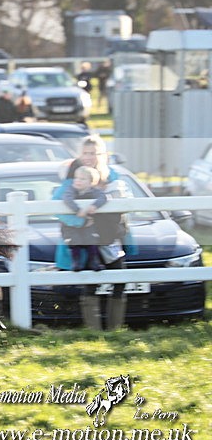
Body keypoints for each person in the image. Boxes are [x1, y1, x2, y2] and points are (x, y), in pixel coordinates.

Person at [52, 136, 131, 331]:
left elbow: (125, 200)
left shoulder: (112, 177)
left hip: (110, 236)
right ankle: (94, 331)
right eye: (85, 153)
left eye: (93, 153)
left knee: (120, 277)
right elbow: (57, 207)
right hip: (85, 236)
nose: (89, 157)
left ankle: (115, 329)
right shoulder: (73, 179)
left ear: (102, 155)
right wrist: (81, 220)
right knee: (91, 280)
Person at [61, 166, 107, 272]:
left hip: (89, 224)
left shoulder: (94, 191)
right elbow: (67, 199)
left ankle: (93, 261)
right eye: (76, 178)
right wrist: (77, 210)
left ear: (91, 182)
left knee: (92, 241)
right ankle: (76, 262)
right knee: (74, 242)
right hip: (72, 225)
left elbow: (103, 197)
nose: (78, 181)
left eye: (82, 179)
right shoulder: (71, 190)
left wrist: (95, 206)